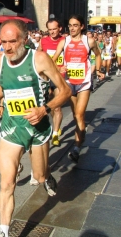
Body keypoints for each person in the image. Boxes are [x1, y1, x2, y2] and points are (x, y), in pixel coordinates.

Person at [0, 20, 71, 237]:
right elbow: (3, 84)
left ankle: (47, 176)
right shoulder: (1, 60)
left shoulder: (39, 59)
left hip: (38, 126)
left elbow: (65, 91)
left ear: (24, 39)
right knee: (7, 182)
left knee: (40, 176)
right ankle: (4, 231)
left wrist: (45, 109)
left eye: (12, 41)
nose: (7, 47)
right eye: (3, 42)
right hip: (12, 127)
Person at [52, 15, 104, 164]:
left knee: (80, 115)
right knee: (76, 116)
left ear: (82, 26)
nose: (72, 28)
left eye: (75, 25)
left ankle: (76, 147)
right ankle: (81, 134)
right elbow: (53, 59)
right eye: (70, 25)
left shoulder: (89, 41)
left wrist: (98, 70)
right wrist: (59, 67)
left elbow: (98, 55)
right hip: (69, 82)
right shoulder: (64, 41)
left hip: (84, 82)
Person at [38, 18, 65, 146]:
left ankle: (55, 134)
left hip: (59, 77)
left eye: (55, 29)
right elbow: (37, 57)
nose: (52, 32)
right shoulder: (43, 41)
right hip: (46, 78)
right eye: (50, 30)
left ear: (60, 28)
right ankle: (56, 126)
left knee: (57, 106)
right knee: (51, 107)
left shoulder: (65, 41)